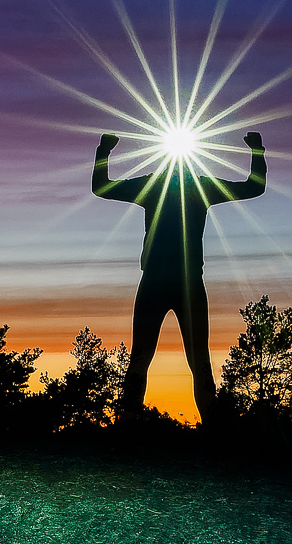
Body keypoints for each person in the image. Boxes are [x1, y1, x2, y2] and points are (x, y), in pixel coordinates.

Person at [92, 129, 266, 421]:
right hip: (174, 283)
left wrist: (104, 151)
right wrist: (257, 151)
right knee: (164, 358)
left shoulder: (168, 186)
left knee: (182, 359)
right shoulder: (190, 187)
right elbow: (253, 187)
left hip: (172, 283)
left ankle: (209, 426)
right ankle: (139, 425)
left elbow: (253, 187)